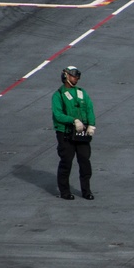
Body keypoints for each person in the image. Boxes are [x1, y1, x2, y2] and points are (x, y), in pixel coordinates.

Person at [51, 66, 96, 200]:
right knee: (66, 162)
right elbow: (58, 115)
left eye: (77, 76)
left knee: (85, 161)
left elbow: (89, 108)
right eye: (73, 76)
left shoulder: (82, 93)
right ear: (66, 76)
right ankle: (65, 191)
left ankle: (86, 191)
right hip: (66, 133)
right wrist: (73, 120)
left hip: (82, 132)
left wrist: (91, 125)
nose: (76, 78)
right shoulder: (58, 95)